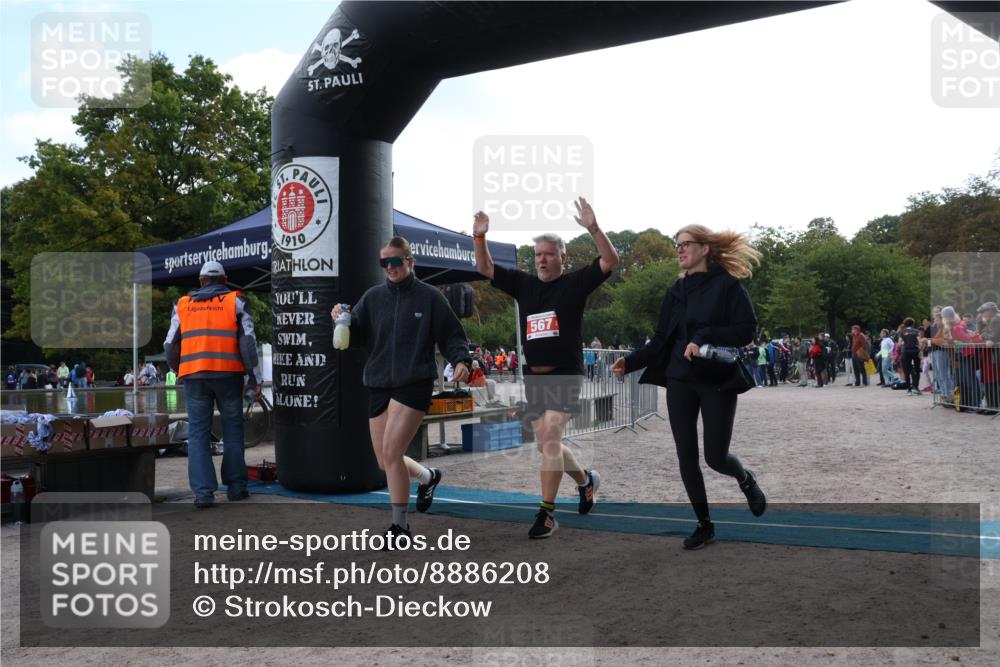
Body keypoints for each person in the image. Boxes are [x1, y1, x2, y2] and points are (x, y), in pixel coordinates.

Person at [612, 223, 765, 550]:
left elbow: (746, 331)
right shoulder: (676, 291)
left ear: (704, 248)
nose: (679, 250)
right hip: (679, 379)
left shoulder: (728, 286)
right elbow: (662, 340)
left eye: (685, 244)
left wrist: (703, 336)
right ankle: (704, 525)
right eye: (676, 245)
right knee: (686, 455)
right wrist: (631, 361)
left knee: (715, 456)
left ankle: (745, 478)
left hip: (716, 380)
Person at [473, 197, 615, 538]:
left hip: (566, 374)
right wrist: (479, 238)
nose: (542, 260)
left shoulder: (574, 284)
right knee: (545, 445)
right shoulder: (525, 285)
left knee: (550, 438)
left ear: (562, 258)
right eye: (537, 255)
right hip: (534, 380)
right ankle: (585, 480)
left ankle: (547, 513)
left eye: (549, 254)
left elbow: (610, 260)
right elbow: (485, 270)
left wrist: (593, 228)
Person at [331, 237, 470, 539]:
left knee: (392, 452)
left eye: (396, 261)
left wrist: (462, 360)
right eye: (385, 262)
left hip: (413, 382)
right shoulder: (372, 298)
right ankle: (428, 476)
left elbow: (452, 335)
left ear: (410, 261)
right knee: (384, 461)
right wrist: (340, 322)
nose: (390, 267)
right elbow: (353, 338)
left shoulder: (430, 297)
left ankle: (400, 525)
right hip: (379, 382)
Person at [164, 261, 259, 509]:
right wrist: (253, 379)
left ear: (200, 280)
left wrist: (179, 368)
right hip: (229, 375)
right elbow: (247, 344)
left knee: (197, 433)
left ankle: (204, 494)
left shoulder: (182, 305)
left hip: (194, 376)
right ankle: (237, 488)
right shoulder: (236, 302)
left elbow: (169, 345)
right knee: (233, 430)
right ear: (225, 279)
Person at [898, 318, 922, 395]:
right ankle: (916, 387)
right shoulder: (916, 331)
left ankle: (909, 390)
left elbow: (899, 343)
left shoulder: (902, 332)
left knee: (907, 371)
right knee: (917, 369)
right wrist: (920, 350)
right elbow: (919, 342)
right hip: (915, 351)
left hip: (906, 352)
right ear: (913, 324)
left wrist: (905, 344)